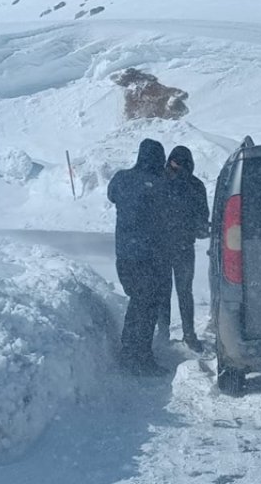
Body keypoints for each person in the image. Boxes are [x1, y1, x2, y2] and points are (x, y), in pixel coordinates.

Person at [107, 138, 171, 376]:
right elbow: (168, 217)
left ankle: (129, 351)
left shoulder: (121, 179)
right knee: (147, 306)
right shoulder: (158, 185)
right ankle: (141, 357)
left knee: (137, 302)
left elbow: (112, 195)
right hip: (149, 257)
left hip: (124, 256)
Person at [156, 145, 210, 352]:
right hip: (180, 246)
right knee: (180, 292)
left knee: (172, 291)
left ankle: (169, 334)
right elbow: (202, 218)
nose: (176, 166)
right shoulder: (195, 185)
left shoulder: (161, 181)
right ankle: (184, 334)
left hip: (169, 246)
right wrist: (200, 229)